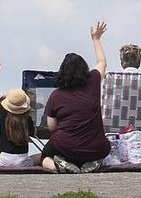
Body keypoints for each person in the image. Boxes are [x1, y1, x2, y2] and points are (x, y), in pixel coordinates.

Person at [41, 21, 112, 173]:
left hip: (65, 147)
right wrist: (96, 39)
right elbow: (102, 62)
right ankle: (94, 163)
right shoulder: (93, 81)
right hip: (96, 148)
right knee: (102, 150)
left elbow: (52, 127)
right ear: (84, 69)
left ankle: (60, 166)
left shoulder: (56, 95)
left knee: (45, 156)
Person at [0, 61, 38, 167]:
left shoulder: (2, 111)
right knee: (41, 156)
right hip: (23, 161)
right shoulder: (27, 118)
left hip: (4, 160)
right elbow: (33, 133)